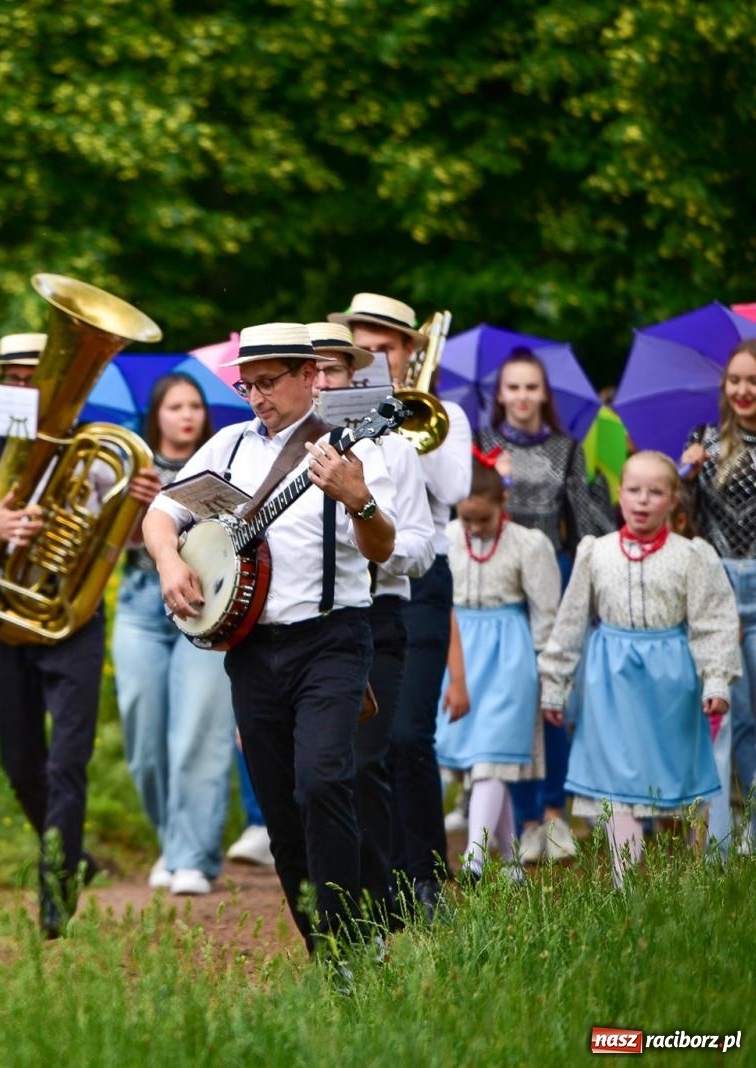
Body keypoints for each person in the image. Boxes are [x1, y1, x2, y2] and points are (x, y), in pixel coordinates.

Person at [145, 322, 398, 956]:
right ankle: (325, 946)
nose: (255, 397)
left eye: (268, 383)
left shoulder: (347, 447)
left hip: (332, 638)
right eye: (246, 384)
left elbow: (384, 548)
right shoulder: (226, 446)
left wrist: (359, 500)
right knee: (282, 807)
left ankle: (355, 939)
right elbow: (161, 514)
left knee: (322, 783)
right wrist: (171, 563)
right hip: (252, 649)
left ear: (309, 378)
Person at [0, 332, 162, 936]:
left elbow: (114, 541)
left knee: (68, 760)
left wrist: (137, 507)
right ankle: (72, 854)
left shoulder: (97, 450)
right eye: (18, 377)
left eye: (38, 376)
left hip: (71, 620)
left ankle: (56, 880)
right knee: (19, 761)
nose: (28, 386)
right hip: (6, 617)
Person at [539, 452, 740, 885]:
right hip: (611, 681)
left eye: (655, 492)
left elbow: (714, 621)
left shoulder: (693, 556)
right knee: (618, 782)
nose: (643, 500)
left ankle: (682, 882)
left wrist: (716, 679)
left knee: (673, 782)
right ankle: (623, 884)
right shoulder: (597, 553)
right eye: (633, 490)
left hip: (671, 683)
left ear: (673, 500)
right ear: (620, 495)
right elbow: (570, 620)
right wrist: (555, 685)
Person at [332, 292, 470, 916]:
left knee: (410, 734)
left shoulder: (443, 415)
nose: (375, 358)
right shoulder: (337, 420)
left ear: (410, 351)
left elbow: (454, 490)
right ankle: (382, 882)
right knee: (367, 742)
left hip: (420, 575)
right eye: (364, 348)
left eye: (386, 347)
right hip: (356, 587)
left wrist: (408, 422)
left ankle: (429, 875)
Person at [309, 322, 436, 923]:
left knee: (364, 762)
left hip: (378, 613)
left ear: (352, 377)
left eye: (333, 370)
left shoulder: (394, 450)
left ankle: (381, 905)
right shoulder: (267, 449)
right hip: (304, 617)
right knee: (318, 772)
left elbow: (420, 550)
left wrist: (371, 531)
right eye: (311, 370)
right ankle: (331, 904)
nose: (322, 382)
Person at [475, 349, 615, 865]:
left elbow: (587, 520)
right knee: (508, 700)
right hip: (497, 579)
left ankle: (554, 814)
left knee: (551, 697)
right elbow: (466, 510)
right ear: (500, 395)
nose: (522, 397)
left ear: (544, 394)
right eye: (512, 387)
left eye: (531, 387)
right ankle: (518, 814)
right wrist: (498, 480)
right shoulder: (481, 446)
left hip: (550, 578)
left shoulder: (567, 448)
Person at [110, 372, 234, 896]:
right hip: (140, 600)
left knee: (198, 735)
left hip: (205, 602)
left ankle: (194, 857)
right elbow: (108, 551)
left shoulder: (224, 466)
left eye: (193, 407)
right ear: (156, 414)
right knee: (144, 738)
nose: (185, 415)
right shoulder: (131, 471)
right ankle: (171, 841)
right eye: (174, 406)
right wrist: (127, 506)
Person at [437, 459, 561, 878]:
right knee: (481, 760)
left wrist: (549, 673)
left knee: (494, 756)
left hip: (509, 655)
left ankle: (474, 856)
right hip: (461, 652)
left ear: (503, 502)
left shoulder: (528, 544)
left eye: (483, 518)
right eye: (466, 518)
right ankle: (510, 863)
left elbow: (547, 613)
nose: (473, 527)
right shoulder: (448, 537)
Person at [681, 339, 756, 851]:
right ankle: (735, 822)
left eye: (753, 380)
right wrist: (686, 471)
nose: (743, 390)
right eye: (735, 380)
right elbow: (685, 517)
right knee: (736, 711)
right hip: (718, 586)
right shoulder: (703, 440)